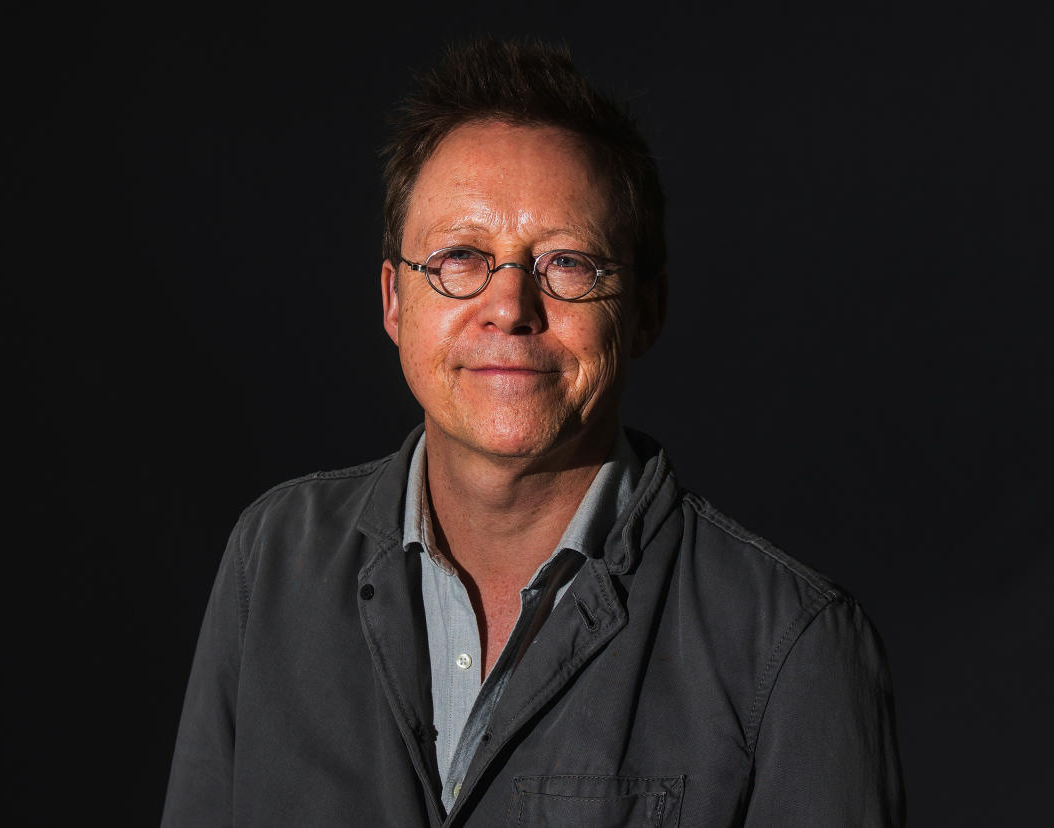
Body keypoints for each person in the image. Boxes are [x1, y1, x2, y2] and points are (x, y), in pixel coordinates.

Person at [162, 37, 905, 827]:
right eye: (459, 257)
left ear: (647, 310)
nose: (511, 308)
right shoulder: (273, 562)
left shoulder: (791, 648)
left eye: (568, 265)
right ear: (393, 302)